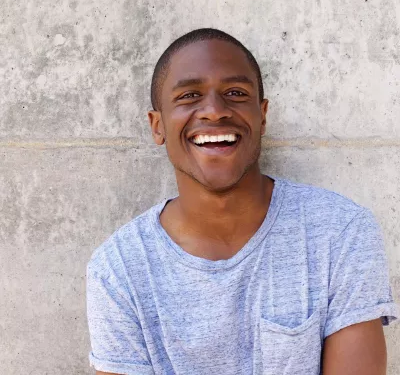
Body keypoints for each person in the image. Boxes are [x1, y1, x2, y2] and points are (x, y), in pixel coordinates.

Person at [86, 28, 398, 375]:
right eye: (189, 95)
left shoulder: (340, 233)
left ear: (262, 115)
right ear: (157, 126)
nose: (215, 111)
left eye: (235, 93)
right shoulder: (119, 270)